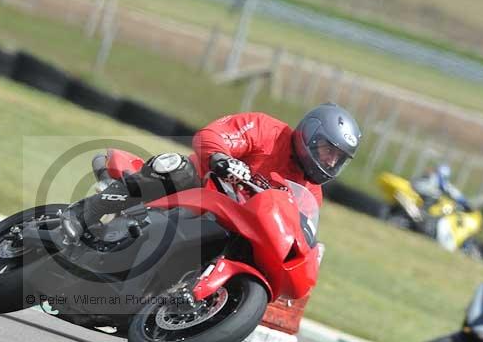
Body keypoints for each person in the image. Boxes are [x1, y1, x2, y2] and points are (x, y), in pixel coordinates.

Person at [62, 102, 362, 243]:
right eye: (327, 149)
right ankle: (83, 214)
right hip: (196, 190)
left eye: (338, 158)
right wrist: (220, 158)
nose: (330, 160)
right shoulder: (267, 131)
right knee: (177, 169)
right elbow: (213, 135)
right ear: (310, 134)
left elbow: (298, 230)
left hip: (236, 225)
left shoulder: (311, 192)